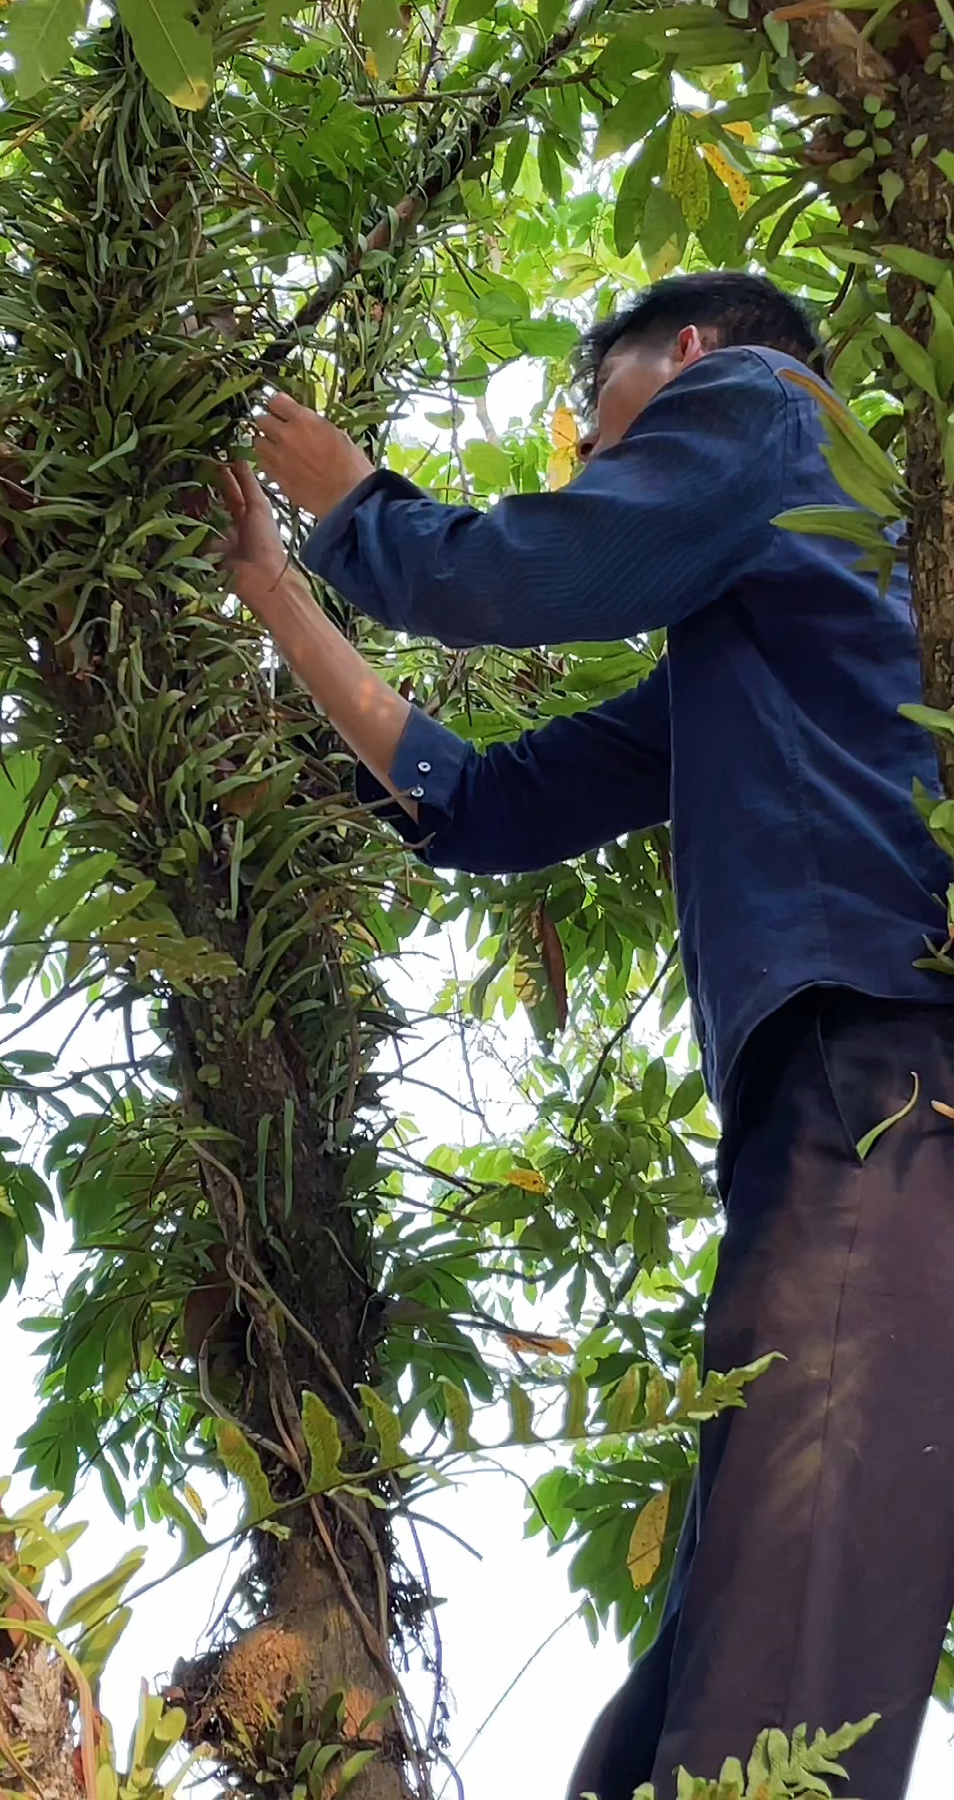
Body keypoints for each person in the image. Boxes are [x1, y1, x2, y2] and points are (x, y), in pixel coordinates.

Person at [217, 270, 954, 1800]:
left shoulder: (771, 409)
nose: (595, 455)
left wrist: (351, 504)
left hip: (890, 1072)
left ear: (683, 356)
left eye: (599, 414)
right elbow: (485, 803)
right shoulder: (771, 634)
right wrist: (281, 594)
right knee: (715, 1660)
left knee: (784, 1656)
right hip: (845, 1085)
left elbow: (518, 575)